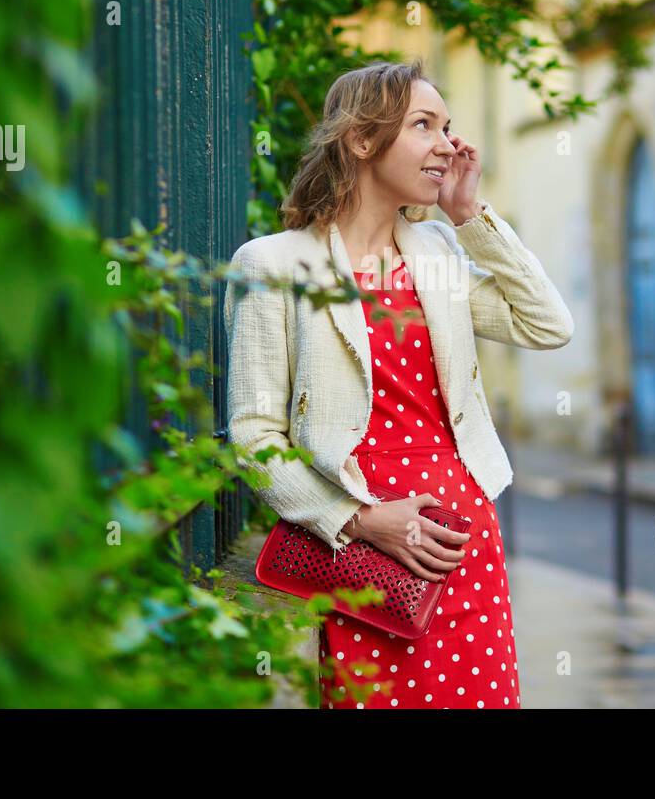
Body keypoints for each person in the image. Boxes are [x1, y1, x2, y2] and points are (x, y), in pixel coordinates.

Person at [223, 58, 573, 708]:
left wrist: (471, 216)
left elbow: (547, 323)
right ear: (360, 140)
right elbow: (254, 435)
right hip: (363, 559)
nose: (447, 145)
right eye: (424, 125)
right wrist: (361, 520)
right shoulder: (272, 265)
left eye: (448, 127)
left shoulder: (439, 252)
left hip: (464, 548)